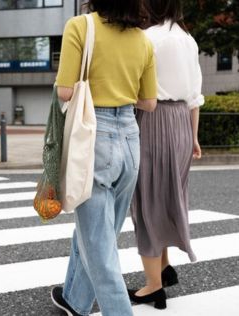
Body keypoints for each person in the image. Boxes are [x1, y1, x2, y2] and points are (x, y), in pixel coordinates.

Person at [50, 0, 158, 315]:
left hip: (93, 137)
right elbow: (149, 102)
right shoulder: (143, 40)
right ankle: (75, 300)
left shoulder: (81, 26)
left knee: (100, 247)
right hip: (130, 138)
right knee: (99, 233)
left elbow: (65, 92)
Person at [128, 0, 204, 310]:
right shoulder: (189, 39)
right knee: (171, 198)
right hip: (182, 124)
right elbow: (195, 95)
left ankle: (153, 287)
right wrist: (194, 137)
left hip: (154, 120)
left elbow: (136, 89)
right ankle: (164, 267)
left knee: (147, 201)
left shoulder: (147, 38)